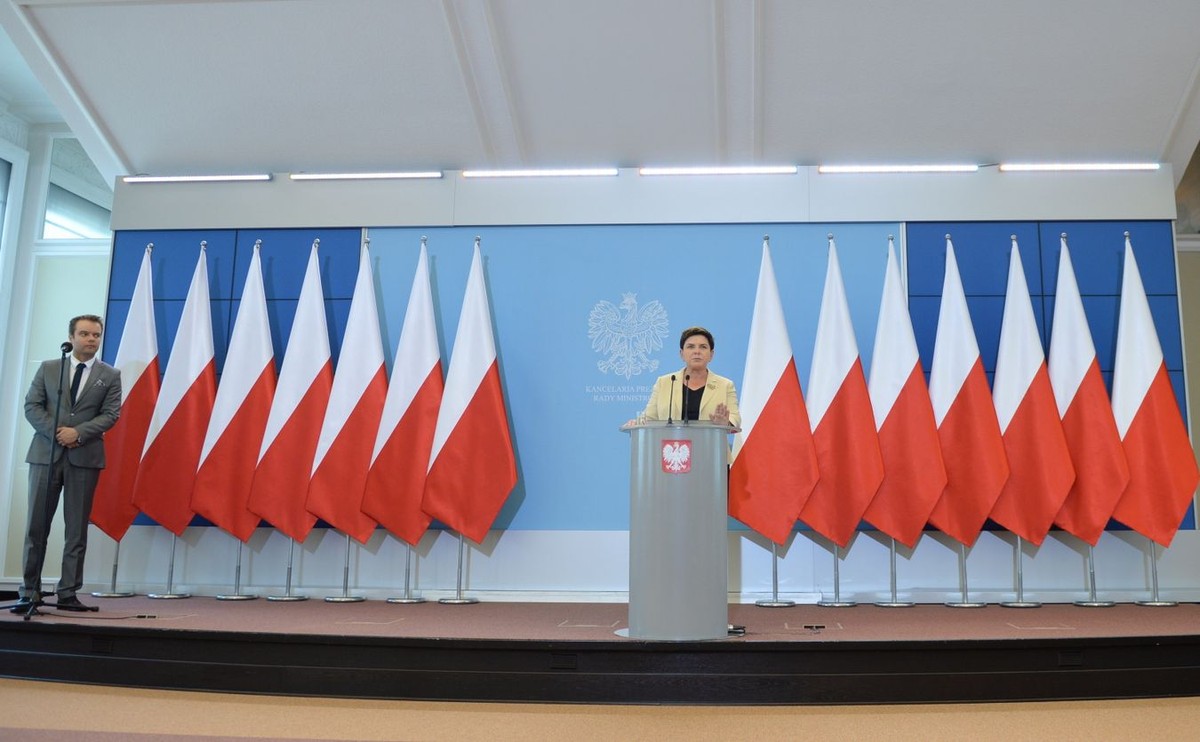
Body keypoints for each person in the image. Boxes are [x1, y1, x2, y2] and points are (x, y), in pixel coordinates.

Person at [12, 315, 121, 614]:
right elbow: (31, 406)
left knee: (76, 531)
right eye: (84, 334)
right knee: (36, 527)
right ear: (71, 337)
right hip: (46, 455)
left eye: (96, 335)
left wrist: (79, 433)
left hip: (84, 459)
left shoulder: (110, 375)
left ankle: (68, 592)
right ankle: (29, 591)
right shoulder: (49, 368)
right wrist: (58, 433)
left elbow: (111, 414)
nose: (91, 339)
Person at [639, 326, 740, 428]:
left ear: (711, 355)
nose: (697, 351)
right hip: (671, 443)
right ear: (681, 354)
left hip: (710, 443)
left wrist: (725, 423)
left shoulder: (725, 385)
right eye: (691, 347)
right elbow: (648, 418)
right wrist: (635, 423)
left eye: (703, 347)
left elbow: (735, 419)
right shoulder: (664, 382)